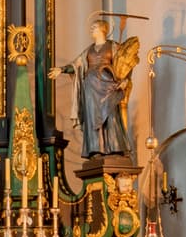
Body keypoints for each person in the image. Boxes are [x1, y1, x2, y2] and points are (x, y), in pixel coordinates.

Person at [51, 18, 138, 159]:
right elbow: (76, 65)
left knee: (111, 116)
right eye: (91, 27)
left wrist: (125, 80)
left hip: (109, 86)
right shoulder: (89, 50)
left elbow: (125, 63)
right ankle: (95, 149)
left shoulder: (113, 46)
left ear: (103, 29)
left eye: (94, 27)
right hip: (90, 89)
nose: (91, 29)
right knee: (92, 118)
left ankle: (115, 147)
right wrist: (61, 70)